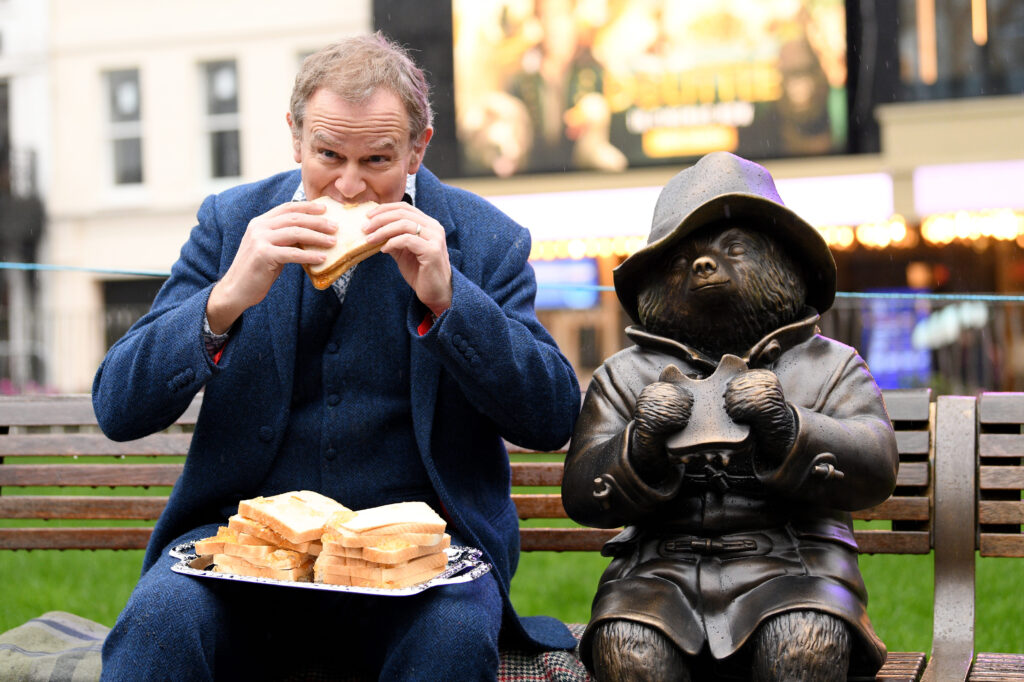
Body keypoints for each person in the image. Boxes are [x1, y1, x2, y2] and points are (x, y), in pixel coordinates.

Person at [93, 32, 580, 681]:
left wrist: (451, 299)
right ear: (295, 137)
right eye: (328, 155)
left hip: (419, 566)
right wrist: (223, 302)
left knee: (455, 638)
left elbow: (552, 419)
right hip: (246, 557)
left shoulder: (484, 239)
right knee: (160, 623)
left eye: (377, 159)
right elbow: (117, 406)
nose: (350, 186)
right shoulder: (231, 222)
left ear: (418, 148)